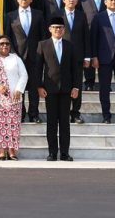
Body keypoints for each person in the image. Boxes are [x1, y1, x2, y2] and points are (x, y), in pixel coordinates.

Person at [36, 16, 81, 161]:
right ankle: (52, 152)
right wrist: (39, 86)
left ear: (64, 29)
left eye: (60, 27)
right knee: (51, 122)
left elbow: (76, 69)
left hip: (67, 89)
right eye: (55, 27)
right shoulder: (43, 45)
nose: (58, 30)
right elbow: (38, 68)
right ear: (50, 29)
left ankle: (65, 153)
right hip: (49, 89)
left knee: (64, 122)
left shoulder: (70, 46)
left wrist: (76, 87)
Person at [0, 35, 27, 160]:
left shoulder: (16, 58)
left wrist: (19, 89)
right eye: (1, 44)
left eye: (7, 43)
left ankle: (12, 151)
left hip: (14, 98)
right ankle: (1, 151)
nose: (4, 46)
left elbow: (24, 75)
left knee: (13, 124)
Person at [6, 0, 45, 123]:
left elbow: (43, 36)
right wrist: (12, 55)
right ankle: (20, 113)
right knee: (19, 86)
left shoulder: (38, 14)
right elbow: (7, 37)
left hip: (35, 56)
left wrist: (41, 53)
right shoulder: (10, 16)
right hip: (17, 57)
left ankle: (34, 114)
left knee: (34, 86)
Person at [61, 0, 89, 124]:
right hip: (61, 56)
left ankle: (76, 113)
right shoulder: (57, 14)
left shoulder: (81, 15)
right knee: (64, 85)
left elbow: (86, 36)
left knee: (77, 85)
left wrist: (87, 56)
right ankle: (64, 112)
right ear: (64, 0)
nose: (72, 0)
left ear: (77, 1)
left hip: (78, 56)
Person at [78, 0, 107, 91]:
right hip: (88, 30)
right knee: (88, 55)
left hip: (105, 31)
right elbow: (79, 14)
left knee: (104, 57)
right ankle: (89, 81)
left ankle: (104, 83)